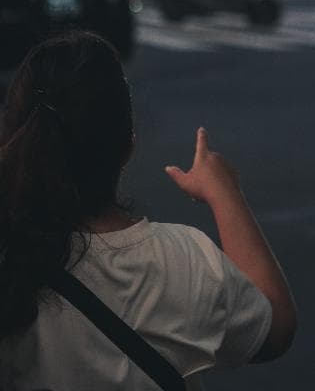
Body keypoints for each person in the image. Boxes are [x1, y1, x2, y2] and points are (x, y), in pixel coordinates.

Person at [0, 31, 296, 389]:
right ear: (128, 144)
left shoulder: (11, 257)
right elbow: (274, 329)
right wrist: (225, 193)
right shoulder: (185, 261)